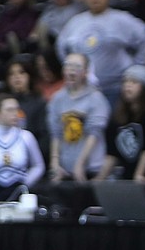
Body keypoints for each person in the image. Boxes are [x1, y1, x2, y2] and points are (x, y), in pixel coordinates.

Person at [55, 0, 145, 107]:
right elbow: (61, 46)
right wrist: (71, 69)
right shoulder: (75, 22)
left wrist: (137, 66)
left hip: (116, 88)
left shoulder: (122, 19)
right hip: (84, 90)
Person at [94, 65, 145, 182]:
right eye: (126, 81)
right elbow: (112, 153)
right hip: (127, 176)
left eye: (134, 82)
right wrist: (99, 178)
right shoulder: (118, 114)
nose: (128, 85)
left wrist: (139, 175)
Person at [47, 52, 110, 182]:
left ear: (86, 72)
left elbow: (94, 133)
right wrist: (55, 162)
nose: (71, 71)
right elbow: (56, 133)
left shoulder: (96, 98)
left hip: (90, 168)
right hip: (65, 169)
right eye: (68, 66)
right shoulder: (57, 98)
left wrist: (80, 164)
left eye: (76, 67)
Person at [0, 92, 45, 201]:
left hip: (19, 195)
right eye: (9, 110)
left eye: (16, 109)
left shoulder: (26, 137)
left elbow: (38, 165)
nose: (15, 113)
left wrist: (25, 184)